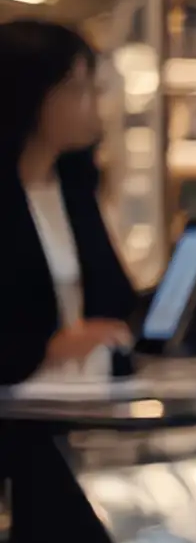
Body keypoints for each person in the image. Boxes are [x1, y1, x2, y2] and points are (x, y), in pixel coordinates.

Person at [1, 20, 135, 386]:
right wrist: (45, 349)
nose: (92, 106)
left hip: (79, 399)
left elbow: (116, 301)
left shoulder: (74, 192)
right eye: (76, 90)